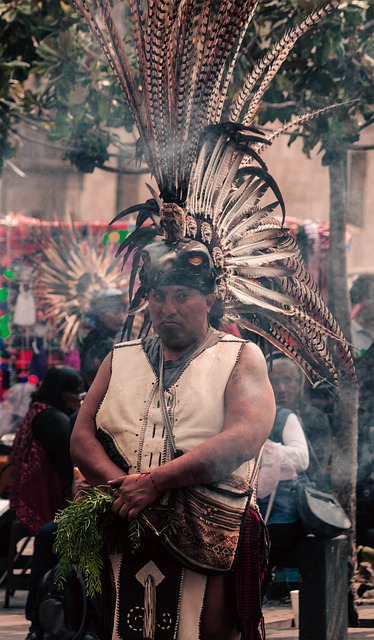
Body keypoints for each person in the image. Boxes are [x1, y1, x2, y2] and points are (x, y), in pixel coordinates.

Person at [71, 242, 276, 640]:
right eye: (158, 296)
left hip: (207, 529)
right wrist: (124, 488)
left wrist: (154, 482)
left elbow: (245, 437)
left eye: (182, 296)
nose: (168, 309)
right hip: (125, 522)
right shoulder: (119, 357)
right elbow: (81, 437)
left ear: (209, 301)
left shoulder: (241, 357)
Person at [9, 366, 88, 640]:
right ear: (61, 392)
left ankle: (43, 618)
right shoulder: (55, 419)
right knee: (48, 536)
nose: (78, 396)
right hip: (51, 500)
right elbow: (73, 463)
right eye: (74, 390)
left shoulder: (44, 412)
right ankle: (41, 617)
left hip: (41, 499)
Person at [257, 406, 309, 598]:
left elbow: (302, 459)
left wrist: (268, 448)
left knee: (260, 557)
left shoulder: (283, 417)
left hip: (284, 514)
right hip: (254, 510)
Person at [268, 355, 332, 484]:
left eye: (287, 380)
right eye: (274, 382)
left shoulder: (315, 418)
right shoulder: (259, 418)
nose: (281, 389)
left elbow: (317, 465)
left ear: (299, 383)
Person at [78, 289, 127, 388]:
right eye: (116, 312)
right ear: (101, 316)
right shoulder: (99, 342)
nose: (122, 317)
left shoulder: (96, 339)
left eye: (123, 311)